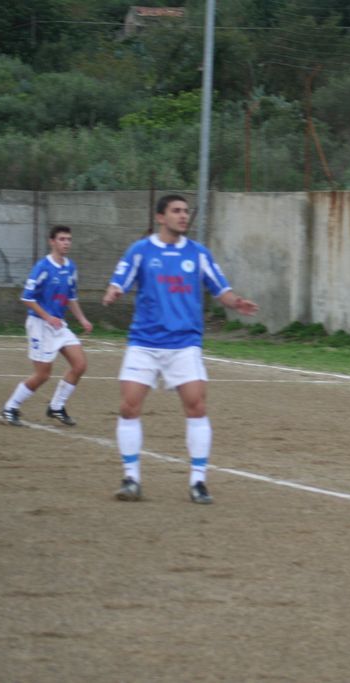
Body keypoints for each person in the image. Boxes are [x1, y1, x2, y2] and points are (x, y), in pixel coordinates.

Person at [102, 195, 258, 504]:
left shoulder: (198, 253)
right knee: (129, 407)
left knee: (196, 407)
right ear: (161, 217)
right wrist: (113, 291)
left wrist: (236, 302)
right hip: (144, 343)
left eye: (186, 211)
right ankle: (131, 478)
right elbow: (119, 280)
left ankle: (198, 482)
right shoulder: (140, 251)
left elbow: (221, 289)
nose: (183, 216)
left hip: (184, 344)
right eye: (176, 211)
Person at [1, 225, 93, 427]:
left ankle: (56, 407)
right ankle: (10, 407)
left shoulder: (71, 267)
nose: (66, 243)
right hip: (40, 324)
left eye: (68, 239)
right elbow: (27, 297)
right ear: (52, 242)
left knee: (80, 365)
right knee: (43, 374)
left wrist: (82, 319)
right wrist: (47, 316)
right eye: (62, 239)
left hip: (58, 325)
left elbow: (71, 297)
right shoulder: (43, 267)